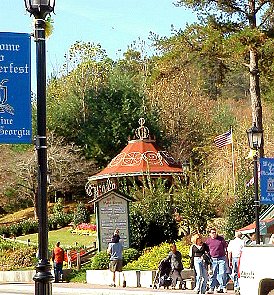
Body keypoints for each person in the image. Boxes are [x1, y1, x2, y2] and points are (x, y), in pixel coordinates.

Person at [205, 228, 227, 294]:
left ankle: (223, 287)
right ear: (210, 234)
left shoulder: (221, 239)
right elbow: (206, 250)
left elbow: (225, 247)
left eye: (215, 232)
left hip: (221, 258)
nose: (214, 234)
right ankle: (211, 288)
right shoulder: (208, 241)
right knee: (213, 274)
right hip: (213, 259)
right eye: (212, 232)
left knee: (222, 273)